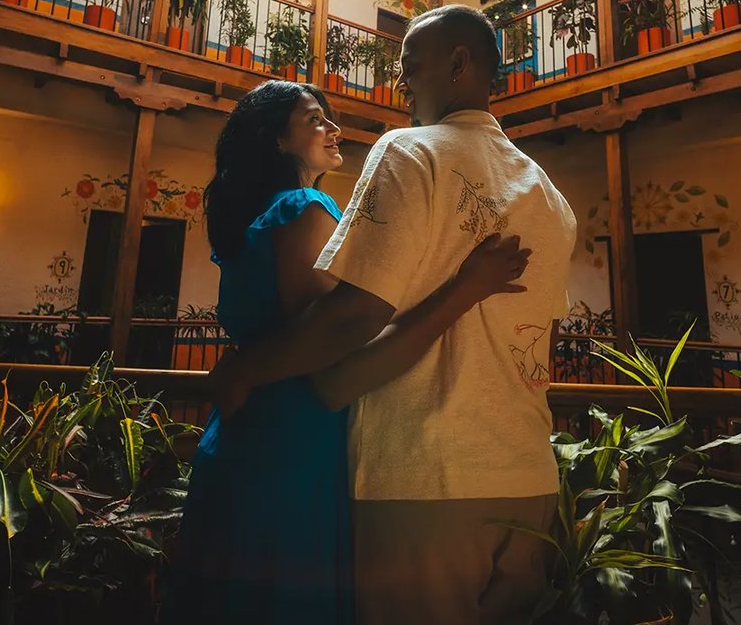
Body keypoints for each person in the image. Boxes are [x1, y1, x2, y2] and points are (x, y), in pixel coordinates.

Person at [212, 6, 578, 624]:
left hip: (426, 479)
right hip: (528, 476)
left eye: (410, 65)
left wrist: (249, 368)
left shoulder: (410, 152)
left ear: (458, 64)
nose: (401, 82)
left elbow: (352, 317)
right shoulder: (549, 194)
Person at [164, 79, 531, 625]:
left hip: (244, 429)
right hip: (294, 437)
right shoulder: (302, 207)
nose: (334, 129)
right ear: (276, 141)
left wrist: (241, 368)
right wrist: (464, 288)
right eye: (315, 120)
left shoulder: (256, 220)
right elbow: (336, 339)